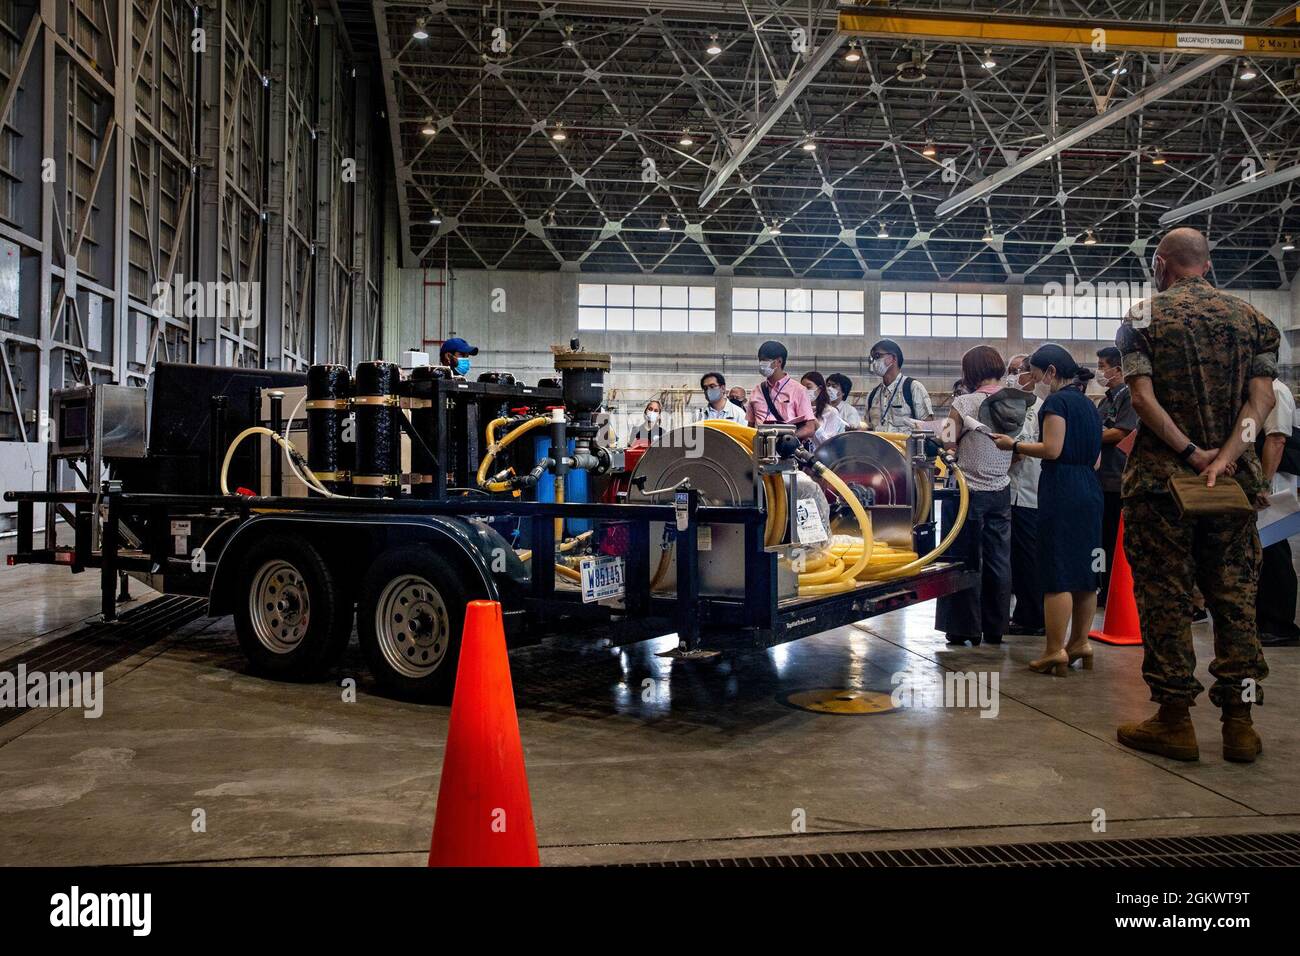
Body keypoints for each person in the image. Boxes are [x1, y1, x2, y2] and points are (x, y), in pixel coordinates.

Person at [1113, 226, 1278, 764]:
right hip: (1231, 486)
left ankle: (1175, 720)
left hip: (1164, 486)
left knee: (1166, 599)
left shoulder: (1142, 316)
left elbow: (1141, 398)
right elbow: (1261, 403)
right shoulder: (1253, 320)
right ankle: (1240, 724)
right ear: (1205, 266)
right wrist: (1228, 455)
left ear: (1162, 265)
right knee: (1235, 600)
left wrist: (1191, 453)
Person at [993, 345, 1103, 676]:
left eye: (1037, 374)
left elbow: (1051, 449)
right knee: (1086, 574)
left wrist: (1013, 444)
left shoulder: (1057, 402)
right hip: (1089, 486)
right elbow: (1096, 458)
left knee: (1057, 573)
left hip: (1062, 488)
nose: (1036, 380)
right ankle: (1080, 643)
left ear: (1051, 372)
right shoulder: (1089, 404)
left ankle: (1054, 649)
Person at [934, 346, 1015, 647]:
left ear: (970, 372)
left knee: (963, 559)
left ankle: (963, 628)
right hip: (1001, 488)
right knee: (999, 559)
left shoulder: (964, 401)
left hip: (967, 490)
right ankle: (996, 627)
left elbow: (946, 441)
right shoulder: (1017, 403)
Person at [1005, 354, 1045, 636]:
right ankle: (1019, 613)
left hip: (1029, 492)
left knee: (1028, 557)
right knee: (1012, 557)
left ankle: (1032, 617)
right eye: (1010, 370)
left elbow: (1023, 447)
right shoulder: (1006, 406)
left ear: (1032, 374)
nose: (1013, 375)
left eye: (1017, 370)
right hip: (1008, 492)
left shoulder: (1041, 409)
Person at [1095, 346, 1138, 606]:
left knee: (1119, 538)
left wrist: (1087, 435)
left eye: (1102, 366)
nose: (1099, 371)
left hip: (1120, 479)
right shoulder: (1106, 399)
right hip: (1103, 479)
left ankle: (1119, 590)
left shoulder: (1129, 396)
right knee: (1105, 539)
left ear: (1118, 369)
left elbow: (1122, 431)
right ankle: (1105, 587)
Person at [1258, 379, 1299, 646]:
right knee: (1262, 551)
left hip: (1272, 484)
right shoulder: (1256, 388)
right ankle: (1265, 619)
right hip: (1262, 480)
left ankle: (1279, 623)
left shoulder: (1276, 390)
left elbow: (1276, 438)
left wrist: (1263, 483)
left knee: (1274, 552)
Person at [747, 340, 816, 442]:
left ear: (779, 362)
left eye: (765, 360)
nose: (761, 364)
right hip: (760, 449)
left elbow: (810, 428)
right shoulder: (756, 391)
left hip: (787, 451)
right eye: (760, 360)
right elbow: (750, 426)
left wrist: (788, 440)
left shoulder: (799, 390)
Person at [865, 339, 933, 431]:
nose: (874, 362)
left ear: (893, 358)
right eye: (872, 358)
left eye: (877, 356)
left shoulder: (913, 388)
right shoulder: (872, 395)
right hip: (878, 445)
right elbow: (868, 427)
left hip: (906, 445)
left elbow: (928, 426)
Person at [800, 371, 844, 449]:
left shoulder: (831, 412)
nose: (804, 391)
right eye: (802, 388)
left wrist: (816, 424)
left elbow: (829, 444)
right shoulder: (799, 410)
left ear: (819, 389)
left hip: (821, 458)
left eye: (808, 387)